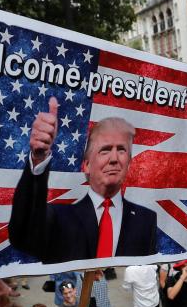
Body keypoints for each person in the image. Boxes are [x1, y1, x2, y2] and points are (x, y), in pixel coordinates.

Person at [10, 107, 157, 262]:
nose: (114, 158)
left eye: (121, 150)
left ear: (129, 164)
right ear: (86, 165)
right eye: (105, 150)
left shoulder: (146, 220)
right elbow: (22, 234)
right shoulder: (59, 218)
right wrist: (38, 159)